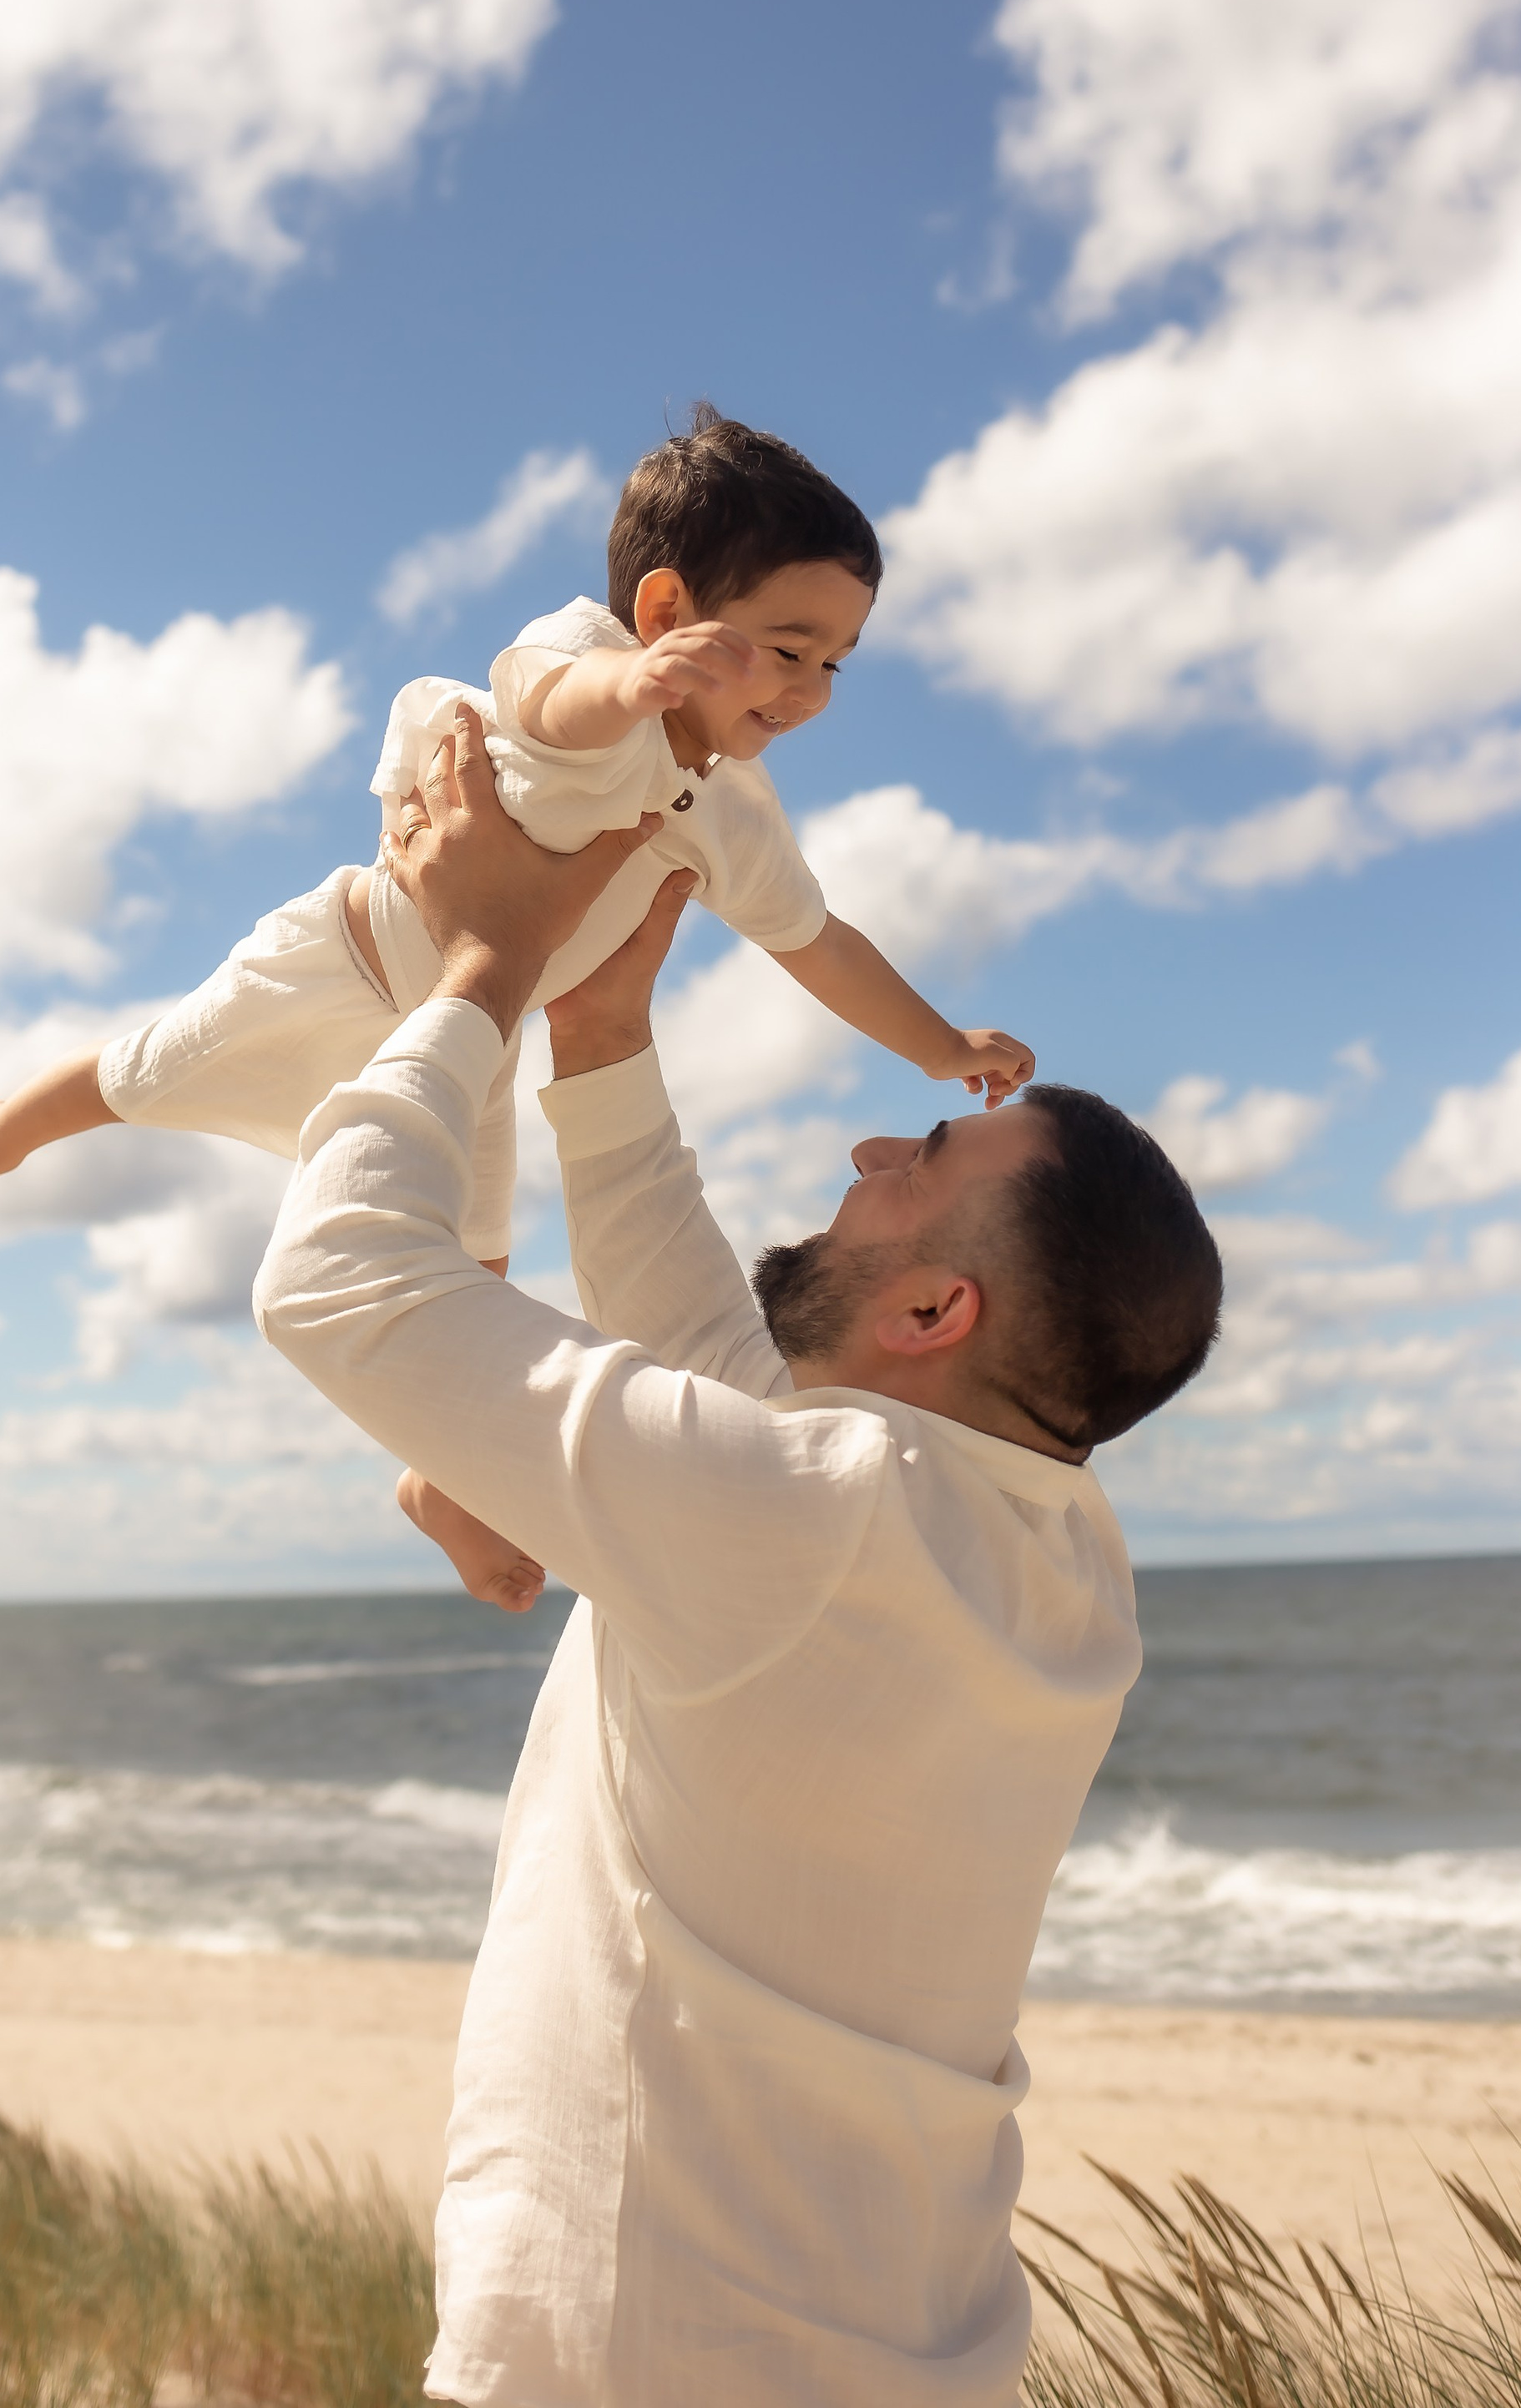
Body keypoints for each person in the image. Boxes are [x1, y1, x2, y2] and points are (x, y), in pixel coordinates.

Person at [254, 702, 1223, 2408]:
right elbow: (728, 1390)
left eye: (918, 1160)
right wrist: (603, 1028)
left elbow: (337, 1283)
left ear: (935, 1309)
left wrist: (481, 965)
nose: (865, 1150)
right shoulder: (1058, 1560)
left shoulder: (808, 1518)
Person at [0, 407, 1033, 1609]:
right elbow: (549, 706)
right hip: (347, 961)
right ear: (666, 612)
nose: (808, 692)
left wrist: (941, 1044)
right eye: (788, 648)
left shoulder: (729, 810)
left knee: (466, 1270)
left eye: (835, 662)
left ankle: (438, 1484)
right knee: (148, 1069)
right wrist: (634, 685)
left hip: (474, 1041)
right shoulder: (582, 666)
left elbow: (818, 943)